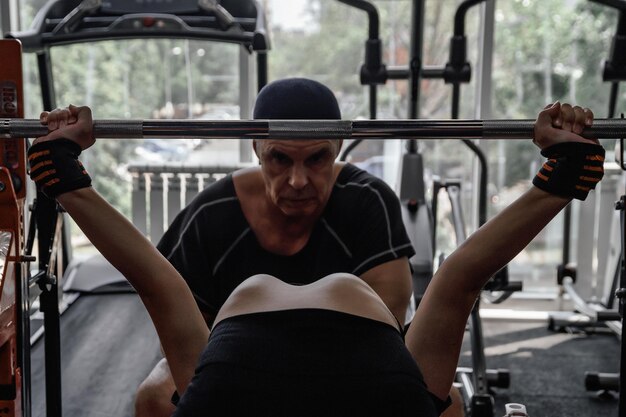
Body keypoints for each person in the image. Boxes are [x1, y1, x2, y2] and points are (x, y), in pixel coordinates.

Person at [28, 99, 604, 416]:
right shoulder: (214, 211)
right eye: (280, 160)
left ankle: (563, 176)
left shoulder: (365, 198)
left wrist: (560, 178)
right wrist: (65, 174)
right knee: (450, 390)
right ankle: (60, 170)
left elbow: (458, 281)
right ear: (258, 152)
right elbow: (159, 284)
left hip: (272, 372)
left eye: (316, 160)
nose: (298, 180)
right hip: (296, 369)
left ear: (336, 155)